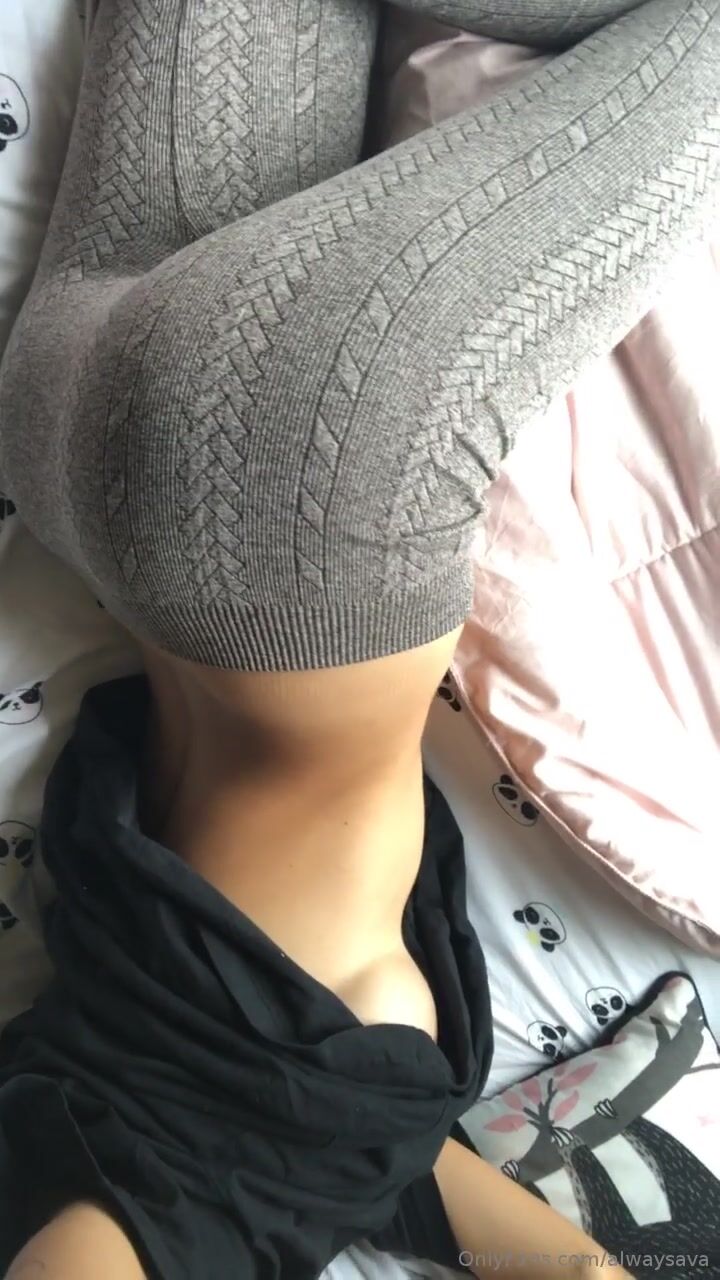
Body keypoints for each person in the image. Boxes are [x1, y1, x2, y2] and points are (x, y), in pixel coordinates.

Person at [0, 0, 716, 1276]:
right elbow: (571, 1262)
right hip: (77, 439)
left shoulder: (173, 1209)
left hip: (294, 507)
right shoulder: (329, 1171)